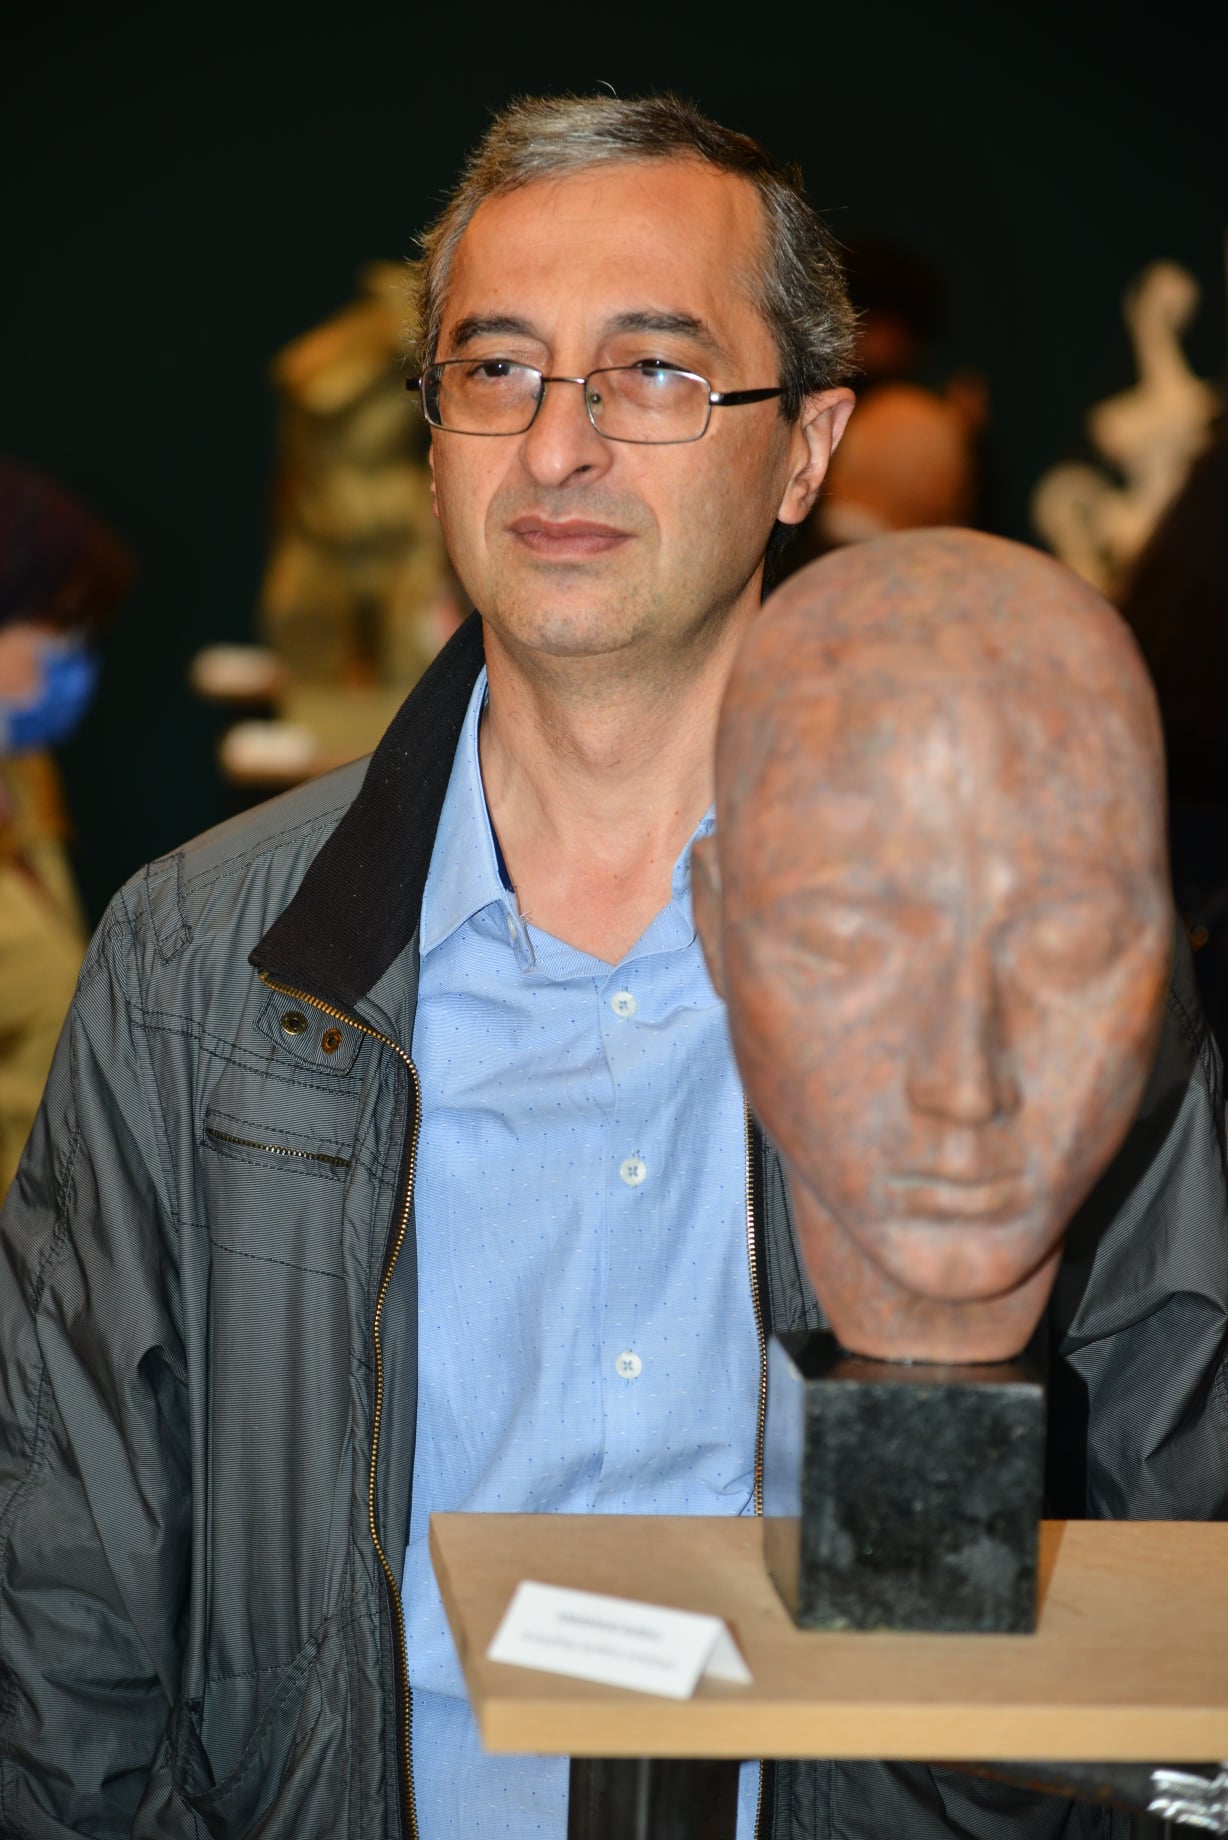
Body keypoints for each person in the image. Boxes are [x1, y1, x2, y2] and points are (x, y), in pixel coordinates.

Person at [0, 93, 1224, 1840]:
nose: (558, 446)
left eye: (655, 372)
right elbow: (65, 1613)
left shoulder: (1024, 956)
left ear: (806, 448)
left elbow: (1175, 1556)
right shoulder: (200, 963)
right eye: (497, 370)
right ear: (433, 435)